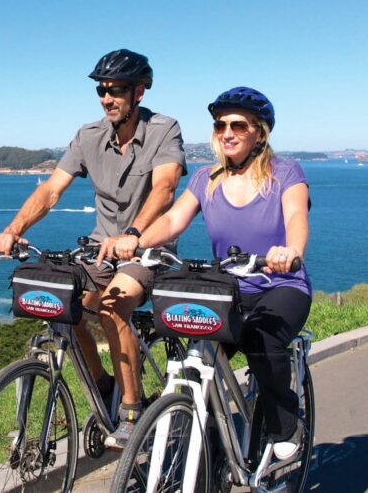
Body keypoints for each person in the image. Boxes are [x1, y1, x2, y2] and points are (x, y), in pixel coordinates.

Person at [0, 48, 186, 448]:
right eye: (101, 90)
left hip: (147, 251)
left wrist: (133, 233)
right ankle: (102, 383)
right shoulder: (88, 136)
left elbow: (165, 188)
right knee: (59, 300)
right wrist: (13, 229)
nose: (106, 98)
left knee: (113, 306)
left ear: (139, 92)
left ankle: (132, 412)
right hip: (99, 250)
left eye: (115, 90)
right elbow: (50, 191)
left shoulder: (165, 130)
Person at [124, 86, 312, 461]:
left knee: (261, 341)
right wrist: (135, 240)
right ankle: (210, 451)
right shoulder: (206, 179)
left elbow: (296, 217)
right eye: (221, 125)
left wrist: (290, 251)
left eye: (238, 125)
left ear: (259, 132)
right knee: (196, 356)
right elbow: (175, 220)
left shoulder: (285, 173)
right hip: (228, 290)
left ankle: (285, 423)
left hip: (280, 285)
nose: (227, 132)